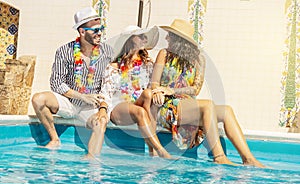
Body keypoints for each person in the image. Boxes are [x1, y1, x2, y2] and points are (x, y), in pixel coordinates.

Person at [151, 19, 265, 167]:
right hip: (169, 106)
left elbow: (195, 89)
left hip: (188, 105)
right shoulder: (164, 54)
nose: (166, 38)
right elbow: (154, 82)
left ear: (179, 40)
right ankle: (218, 156)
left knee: (226, 111)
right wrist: (159, 92)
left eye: (170, 35)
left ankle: (248, 159)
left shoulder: (199, 59)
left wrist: (172, 89)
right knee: (207, 105)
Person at [31, 7, 114, 159]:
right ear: (82, 32)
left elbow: (109, 85)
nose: (100, 33)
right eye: (95, 30)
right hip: (68, 101)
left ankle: (90, 163)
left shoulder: (107, 52)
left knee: (101, 122)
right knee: (38, 99)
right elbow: (56, 83)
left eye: (101, 28)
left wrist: (101, 107)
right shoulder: (64, 51)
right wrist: (82, 96)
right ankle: (55, 139)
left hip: (90, 107)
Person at [102, 25, 171, 159]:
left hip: (138, 104)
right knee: (140, 112)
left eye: (145, 37)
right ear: (130, 39)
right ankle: (160, 151)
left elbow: (153, 87)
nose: (145, 39)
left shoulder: (148, 66)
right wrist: (103, 110)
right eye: (141, 36)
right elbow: (106, 93)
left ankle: (153, 151)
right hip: (118, 107)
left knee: (148, 94)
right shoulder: (113, 67)